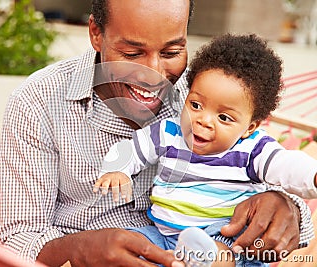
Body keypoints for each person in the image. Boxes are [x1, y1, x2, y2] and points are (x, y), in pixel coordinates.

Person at [0, 0, 314, 266]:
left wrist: (288, 207)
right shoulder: (39, 100)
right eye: (132, 54)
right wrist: (79, 249)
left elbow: (261, 160)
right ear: (96, 33)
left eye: (172, 52)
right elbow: (17, 236)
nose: (154, 75)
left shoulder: (209, 92)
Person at [93, 33, 317, 266]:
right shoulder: (169, 133)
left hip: (224, 234)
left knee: (224, 254)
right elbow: (131, 149)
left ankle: (202, 258)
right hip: (163, 234)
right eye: (196, 105)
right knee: (129, 243)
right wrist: (117, 170)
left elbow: (287, 165)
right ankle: (183, 258)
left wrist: (313, 175)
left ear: (249, 127)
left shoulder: (252, 149)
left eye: (223, 117)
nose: (203, 121)